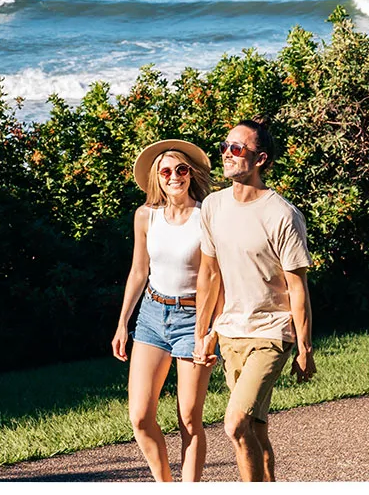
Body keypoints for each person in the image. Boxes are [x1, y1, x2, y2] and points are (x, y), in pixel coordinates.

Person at [190, 119, 313, 482]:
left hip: (271, 333)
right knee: (256, 431)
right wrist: (205, 332)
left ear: (259, 159)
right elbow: (210, 275)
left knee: (235, 424)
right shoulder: (212, 206)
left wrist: (305, 348)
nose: (227, 154)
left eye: (237, 149)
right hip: (231, 334)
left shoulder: (282, 214)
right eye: (225, 147)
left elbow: (297, 287)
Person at [111, 138, 216, 482]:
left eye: (181, 169)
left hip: (193, 320)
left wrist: (210, 330)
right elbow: (139, 270)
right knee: (140, 417)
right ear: (156, 177)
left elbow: (218, 278)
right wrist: (123, 322)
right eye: (166, 171)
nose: (175, 176)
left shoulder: (207, 216)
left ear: (191, 174)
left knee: (188, 418)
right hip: (152, 317)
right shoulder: (146, 216)